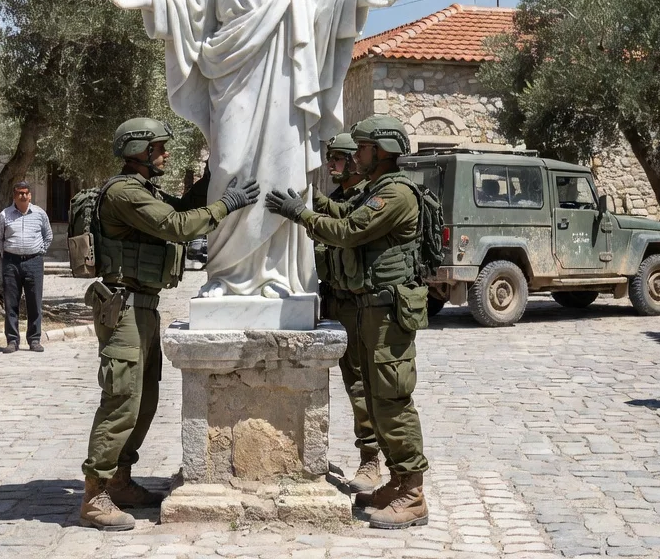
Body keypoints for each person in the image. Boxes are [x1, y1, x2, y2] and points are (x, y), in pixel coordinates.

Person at [103, 0, 404, 299]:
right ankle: (225, 275)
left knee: (282, 169)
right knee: (228, 166)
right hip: (230, 71)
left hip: (284, 74)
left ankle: (279, 276)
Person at [79, 118, 258, 531]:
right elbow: (177, 226)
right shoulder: (124, 193)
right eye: (158, 147)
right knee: (122, 399)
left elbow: (178, 209)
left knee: (144, 400)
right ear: (137, 150)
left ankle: (120, 480)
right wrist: (226, 204)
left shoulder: (145, 191)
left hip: (142, 306)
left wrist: (211, 180)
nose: (165, 153)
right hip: (123, 307)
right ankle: (94, 494)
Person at [266, 115, 430, 530]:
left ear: (383, 150)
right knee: (374, 397)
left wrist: (299, 213)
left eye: (362, 149)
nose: (355, 156)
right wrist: (310, 200)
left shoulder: (396, 193)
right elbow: (344, 209)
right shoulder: (376, 189)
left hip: (387, 312)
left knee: (391, 399)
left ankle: (413, 493)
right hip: (370, 309)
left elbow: (348, 229)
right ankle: (398, 481)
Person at [312, 132, 383, 493]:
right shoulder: (337, 199)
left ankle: (371, 459)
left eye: (338, 158)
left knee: (361, 383)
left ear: (355, 160)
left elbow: (348, 227)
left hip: (358, 304)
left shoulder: (367, 199)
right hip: (332, 299)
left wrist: (313, 205)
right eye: (330, 158)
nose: (331, 164)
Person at [0, 181, 53, 354]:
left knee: (34, 302)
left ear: (30, 195)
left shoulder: (40, 214)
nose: (23, 196)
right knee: (11, 303)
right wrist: (6, 255)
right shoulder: (5, 215)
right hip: (11, 263)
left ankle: (34, 340)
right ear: (14, 196)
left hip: (34, 262)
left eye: (26, 193)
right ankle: (12, 340)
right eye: (20, 193)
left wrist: (40, 251)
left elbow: (48, 235)